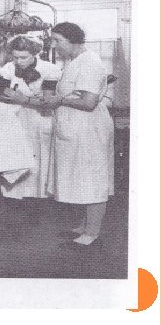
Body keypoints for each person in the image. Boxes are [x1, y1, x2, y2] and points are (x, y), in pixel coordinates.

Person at [44, 22, 114, 247]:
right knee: (82, 178)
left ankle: (92, 231)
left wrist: (60, 100)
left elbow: (89, 102)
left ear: (73, 40)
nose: (54, 45)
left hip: (88, 128)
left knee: (92, 179)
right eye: (52, 40)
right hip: (76, 128)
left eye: (58, 41)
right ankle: (85, 224)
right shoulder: (75, 61)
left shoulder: (90, 63)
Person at [0, 35, 62, 201]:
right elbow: (1, 95)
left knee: (39, 165)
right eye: (15, 57)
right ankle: (15, 204)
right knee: (17, 162)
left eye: (23, 57)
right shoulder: (8, 68)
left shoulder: (49, 70)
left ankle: (38, 203)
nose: (19, 61)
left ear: (35, 54)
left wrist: (23, 99)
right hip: (16, 120)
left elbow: (48, 102)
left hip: (40, 119)